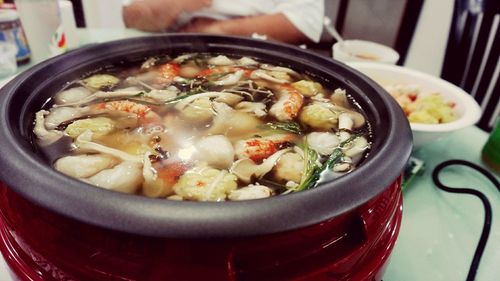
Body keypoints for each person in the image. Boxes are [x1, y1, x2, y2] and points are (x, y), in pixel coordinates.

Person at [122, 0, 324, 44]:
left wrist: (214, 30)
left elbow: (302, 24)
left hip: (260, 47)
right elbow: (130, 16)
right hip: (167, 48)